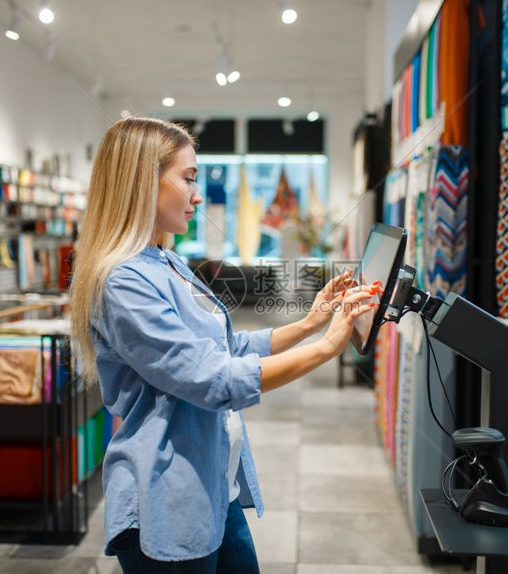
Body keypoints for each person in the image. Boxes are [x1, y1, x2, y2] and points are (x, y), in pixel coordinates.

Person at [69, 117, 378, 573]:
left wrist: (312, 323)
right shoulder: (122, 281)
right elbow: (210, 379)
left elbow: (227, 345)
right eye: (188, 179)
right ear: (141, 182)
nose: (198, 195)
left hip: (214, 477)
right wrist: (327, 347)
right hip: (168, 496)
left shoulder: (166, 260)